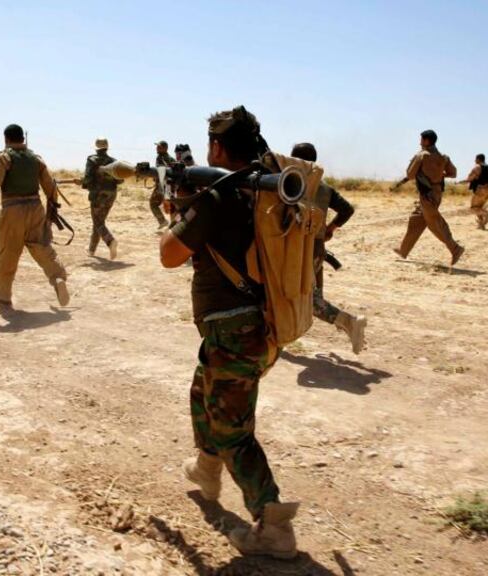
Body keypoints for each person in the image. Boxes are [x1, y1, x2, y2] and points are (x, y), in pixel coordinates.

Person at [160, 106, 299, 560]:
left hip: (236, 333)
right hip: (262, 328)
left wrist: (174, 214)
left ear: (217, 147)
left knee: (233, 430)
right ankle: (205, 469)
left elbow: (169, 255)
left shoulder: (219, 197)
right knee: (204, 392)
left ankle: (273, 525)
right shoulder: (265, 196)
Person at [0, 124, 70, 309]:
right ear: (23, 138)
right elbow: (50, 185)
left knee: (8, 253)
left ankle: (4, 296)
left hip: (12, 210)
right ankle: (57, 278)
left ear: (6, 139)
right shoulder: (36, 158)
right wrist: (52, 208)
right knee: (41, 247)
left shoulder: (3, 156)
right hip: (35, 207)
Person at [290, 143, 367, 353]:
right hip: (315, 248)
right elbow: (347, 209)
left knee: (311, 303)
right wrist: (330, 229)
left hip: (298, 250)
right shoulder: (323, 187)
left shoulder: (291, 183)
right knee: (309, 299)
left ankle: (350, 322)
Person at [391, 129, 464, 265]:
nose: (420, 142)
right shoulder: (444, 157)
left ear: (427, 141)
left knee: (435, 223)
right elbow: (453, 173)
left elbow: (410, 174)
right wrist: (439, 174)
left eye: (421, 140)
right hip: (436, 192)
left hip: (426, 195)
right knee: (416, 220)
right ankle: (403, 250)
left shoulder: (422, 155)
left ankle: (455, 249)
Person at [81, 138, 120, 260]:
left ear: (96, 148)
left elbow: (87, 178)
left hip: (98, 195)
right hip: (111, 194)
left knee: (98, 222)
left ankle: (110, 241)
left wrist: (84, 184)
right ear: (107, 147)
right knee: (98, 222)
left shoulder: (92, 160)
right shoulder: (114, 161)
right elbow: (120, 179)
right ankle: (91, 250)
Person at [461, 153, 488, 229]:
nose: (474, 160)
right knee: (479, 207)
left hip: (480, 190)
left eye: (475, 159)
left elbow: (469, 179)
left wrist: (461, 182)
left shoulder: (477, 167)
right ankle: (481, 225)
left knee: (473, 208)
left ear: (478, 159)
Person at [148, 141, 173, 229]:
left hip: (162, 186)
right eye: (157, 147)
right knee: (171, 205)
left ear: (165, 148)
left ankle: (162, 221)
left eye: (159, 147)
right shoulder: (170, 158)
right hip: (169, 186)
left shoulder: (161, 158)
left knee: (153, 204)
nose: (157, 148)